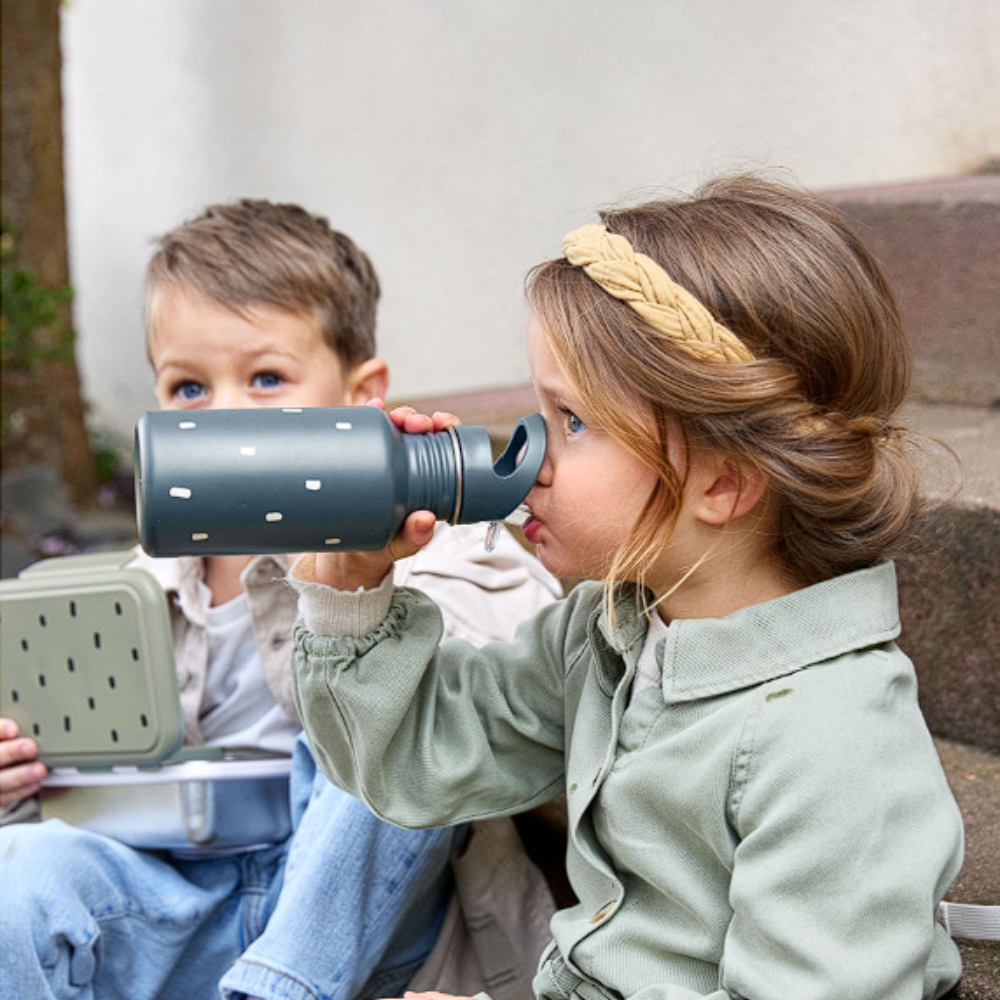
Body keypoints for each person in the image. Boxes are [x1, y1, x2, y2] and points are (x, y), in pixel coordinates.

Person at [286, 175, 965, 1000]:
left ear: (721, 481)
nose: (530, 452)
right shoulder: (616, 632)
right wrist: (352, 589)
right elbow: (422, 760)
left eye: (572, 420)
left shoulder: (832, 745)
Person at [0, 200, 562, 1000]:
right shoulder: (130, 592)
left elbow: (514, 676)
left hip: (370, 921)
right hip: (184, 901)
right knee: (21, 872)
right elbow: (74, 792)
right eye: (189, 388)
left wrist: (364, 563)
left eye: (266, 379)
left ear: (361, 396)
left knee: (373, 715)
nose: (224, 414)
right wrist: (16, 788)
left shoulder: (426, 537)